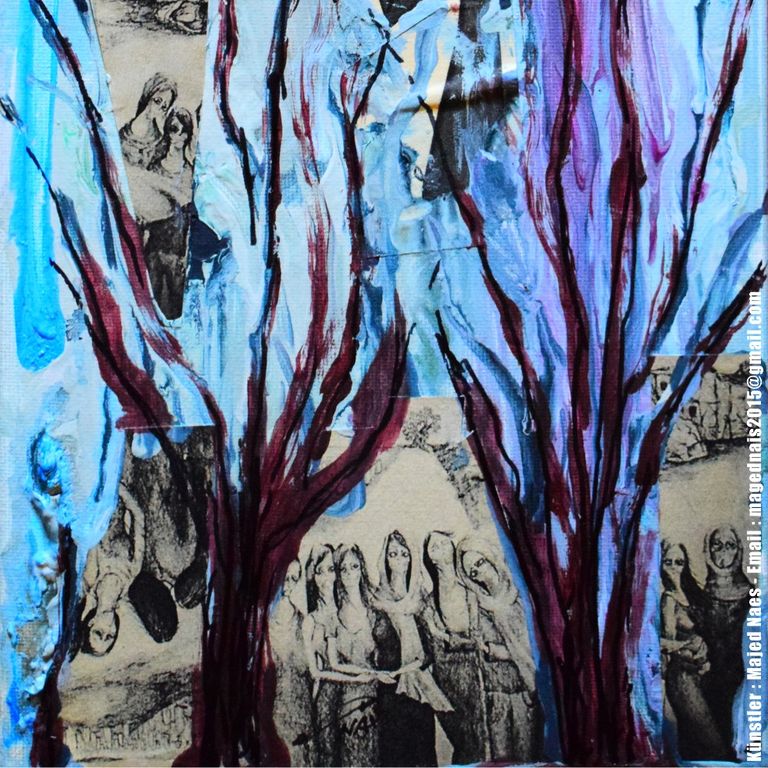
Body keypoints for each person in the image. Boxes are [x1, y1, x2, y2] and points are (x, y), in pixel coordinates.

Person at [457, 536, 541, 763]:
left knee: (526, 755)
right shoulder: (480, 603)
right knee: (500, 757)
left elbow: (532, 642)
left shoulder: (519, 589)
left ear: (491, 557)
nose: (478, 573)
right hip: (498, 689)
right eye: (472, 572)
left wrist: (503, 652)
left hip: (528, 687)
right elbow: (481, 642)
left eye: (479, 563)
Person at [373, 530, 453, 767]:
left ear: (412, 559)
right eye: (393, 554)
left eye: (404, 554)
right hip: (389, 691)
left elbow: (431, 647)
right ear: (385, 559)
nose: (398, 560)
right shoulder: (376, 600)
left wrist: (418, 663)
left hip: (420, 689)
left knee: (424, 754)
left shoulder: (421, 599)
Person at [422, 531, 487, 764]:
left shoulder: (470, 589)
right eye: (433, 546)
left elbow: (477, 637)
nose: (439, 547)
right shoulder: (429, 602)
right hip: (446, 678)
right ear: (430, 558)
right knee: (460, 740)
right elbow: (433, 646)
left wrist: (449, 638)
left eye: (443, 542)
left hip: (474, 673)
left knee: (478, 738)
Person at [659, 540, 726, 760]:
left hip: (702, 672)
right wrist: (689, 644)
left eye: (679, 562)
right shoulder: (669, 600)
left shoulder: (691, 594)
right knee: (708, 739)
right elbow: (665, 643)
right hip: (682, 676)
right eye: (668, 562)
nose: (674, 567)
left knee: (700, 739)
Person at [327, 544, 387, 766]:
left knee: (373, 752)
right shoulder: (333, 616)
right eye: (343, 569)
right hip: (347, 697)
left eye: (354, 566)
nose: (349, 573)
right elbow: (333, 664)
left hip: (374, 695)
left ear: (362, 569)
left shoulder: (374, 613)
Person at [695, 526, 752, 757]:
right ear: (708, 551)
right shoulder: (701, 595)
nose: (723, 553)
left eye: (730, 546)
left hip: (742, 679)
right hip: (710, 679)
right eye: (717, 545)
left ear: (738, 551)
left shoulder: (751, 595)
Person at [142, 107, 196, 318]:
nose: (179, 136)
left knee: (175, 312)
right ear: (167, 131)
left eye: (184, 131)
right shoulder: (155, 169)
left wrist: (186, 255)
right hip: (153, 251)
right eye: (174, 129)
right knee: (151, 311)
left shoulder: (190, 173)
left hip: (178, 254)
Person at [80, 485, 145, 656]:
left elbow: (88, 529)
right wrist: (120, 489)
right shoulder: (132, 572)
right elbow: (139, 518)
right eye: (110, 636)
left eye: (99, 632)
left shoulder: (89, 579)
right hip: (117, 490)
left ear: (91, 623)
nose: (107, 628)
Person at [270, 559, 316, 767]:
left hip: (299, 708)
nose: (286, 584)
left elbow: (309, 670)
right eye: (283, 577)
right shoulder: (260, 620)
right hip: (270, 709)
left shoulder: (303, 621)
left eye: (293, 579)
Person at [119, 74, 178, 169]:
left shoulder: (159, 143)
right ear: (148, 96)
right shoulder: (123, 134)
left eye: (164, 107)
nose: (159, 108)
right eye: (157, 101)